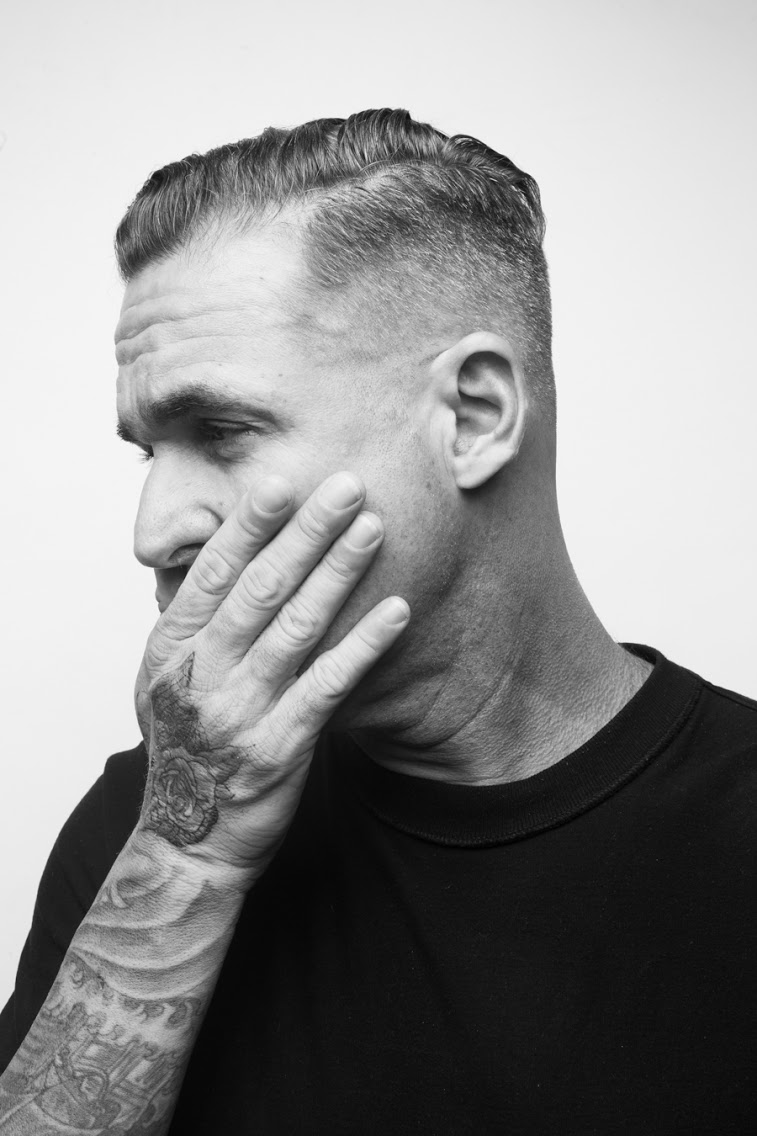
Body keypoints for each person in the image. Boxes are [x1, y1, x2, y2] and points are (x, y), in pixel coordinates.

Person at [0, 108, 754, 1136]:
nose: (153, 529)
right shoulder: (156, 816)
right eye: (147, 450)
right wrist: (189, 860)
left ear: (474, 417)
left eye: (221, 428)